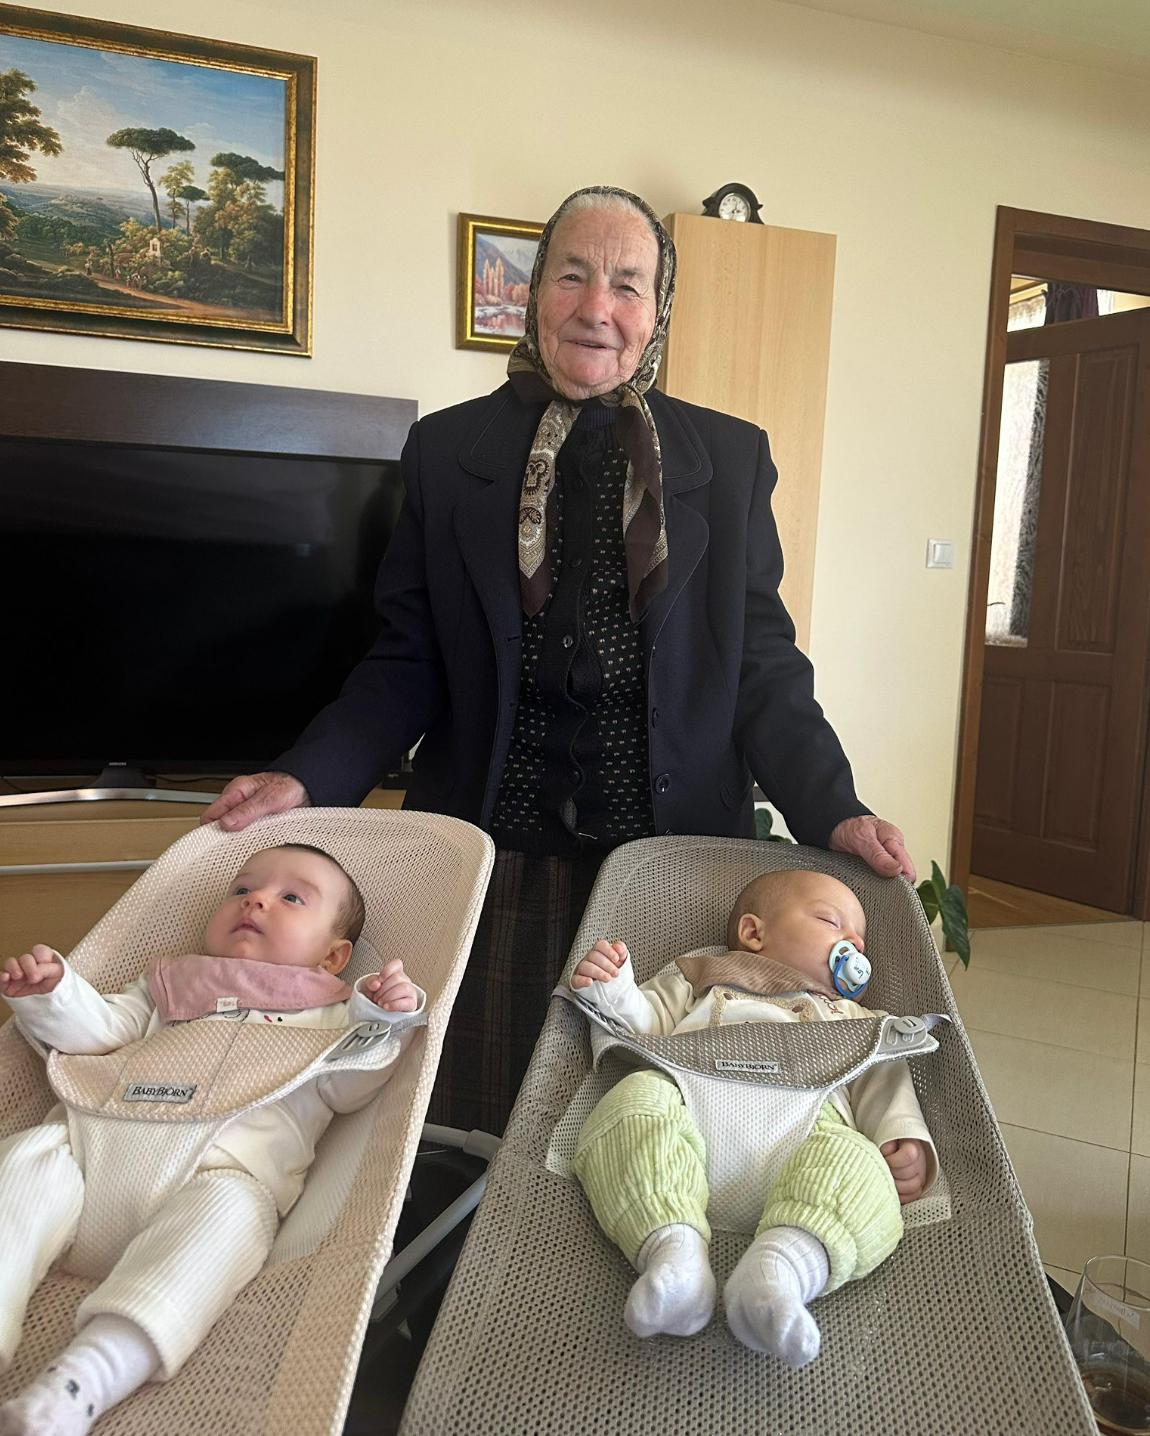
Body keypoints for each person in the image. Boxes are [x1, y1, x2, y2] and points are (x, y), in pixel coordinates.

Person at [200, 185, 915, 1135]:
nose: (596, 308)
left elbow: (762, 667)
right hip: (495, 850)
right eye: (572, 276)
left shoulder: (730, 459)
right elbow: (406, 660)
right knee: (477, 1120)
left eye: (627, 285)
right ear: (534, 292)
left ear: (658, 310)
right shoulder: (448, 450)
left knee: (651, 1114)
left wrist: (835, 808)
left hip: (667, 859)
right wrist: (305, 776)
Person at [0, 844, 421, 1436]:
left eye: (291, 897)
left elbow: (351, 1089)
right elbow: (99, 1033)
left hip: (217, 1175)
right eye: (243, 889)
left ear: (333, 956)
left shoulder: (333, 1016)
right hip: (89, 1158)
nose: (256, 900)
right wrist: (53, 996)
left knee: (231, 1219)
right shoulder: (169, 988)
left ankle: (81, 1381)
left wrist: (381, 1021)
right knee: (26, 1159)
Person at [569, 868, 937, 1367]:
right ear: (753, 933)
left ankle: (780, 1271)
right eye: (832, 923)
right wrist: (613, 988)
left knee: (858, 1161)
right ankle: (673, 1253)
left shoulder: (855, 1020)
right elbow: (645, 1023)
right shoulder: (700, 976)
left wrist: (901, 1136)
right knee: (635, 1102)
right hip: (689, 1123)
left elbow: (884, 1081)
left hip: (805, 1143)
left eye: (860, 940)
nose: (853, 945)